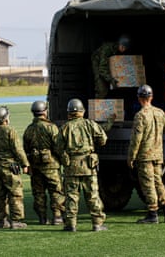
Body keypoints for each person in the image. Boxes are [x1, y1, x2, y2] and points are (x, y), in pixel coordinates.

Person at [57, 99, 108, 232]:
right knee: (92, 195)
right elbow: (103, 139)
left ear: (69, 113)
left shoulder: (64, 128)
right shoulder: (90, 124)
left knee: (71, 197)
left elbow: (58, 147)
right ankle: (97, 224)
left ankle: (71, 224)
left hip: (71, 167)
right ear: (82, 111)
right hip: (88, 166)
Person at [127, 84, 165, 224]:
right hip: (158, 155)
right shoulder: (160, 113)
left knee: (148, 185)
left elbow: (136, 140)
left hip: (145, 156)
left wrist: (131, 157)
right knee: (158, 182)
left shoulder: (140, 116)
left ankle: (153, 213)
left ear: (139, 99)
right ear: (151, 97)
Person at [0, 106, 30, 229]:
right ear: (5, 118)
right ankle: (16, 220)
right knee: (15, 193)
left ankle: (0, 220)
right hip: (10, 167)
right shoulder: (10, 131)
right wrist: (25, 164)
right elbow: (18, 149)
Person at [23, 101, 65, 225]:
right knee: (56, 191)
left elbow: (26, 148)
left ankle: (42, 217)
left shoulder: (29, 129)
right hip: (51, 165)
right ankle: (57, 217)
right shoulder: (51, 127)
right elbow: (58, 146)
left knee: (38, 193)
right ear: (45, 111)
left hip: (36, 166)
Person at [91, 34, 131, 98]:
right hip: (98, 64)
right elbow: (102, 69)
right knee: (102, 89)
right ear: (119, 44)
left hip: (107, 67)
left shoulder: (117, 51)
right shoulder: (107, 49)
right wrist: (111, 80)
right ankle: (98, 106)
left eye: (125, 48)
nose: (123, 50)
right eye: (123, 47)